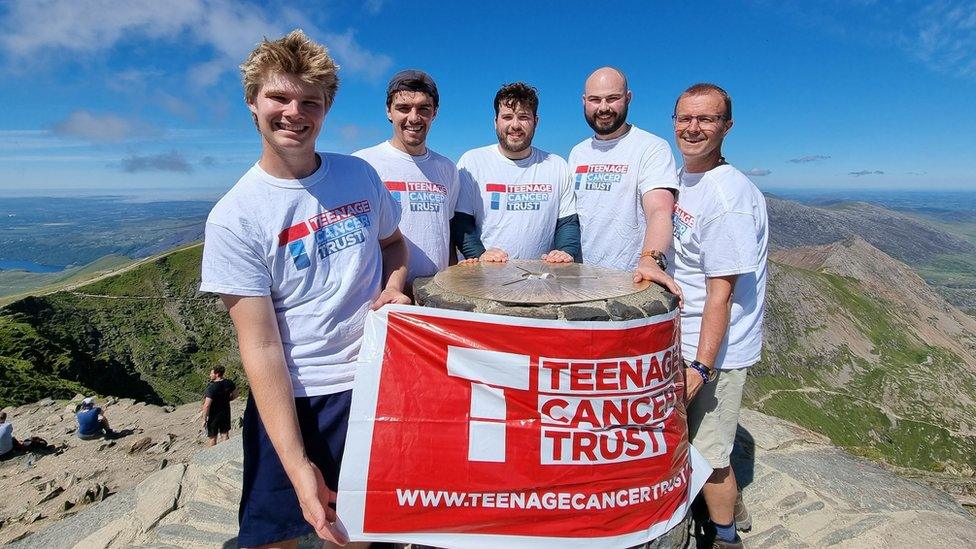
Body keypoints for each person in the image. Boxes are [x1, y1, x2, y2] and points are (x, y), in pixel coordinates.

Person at [199, 29, 409, 548]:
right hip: (296, 397)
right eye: (279, 97)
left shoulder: (359, 176)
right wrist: (297, 466)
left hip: (371, 381)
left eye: (309, 101)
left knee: (357, 531)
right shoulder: (235, 217)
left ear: (327, 107)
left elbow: (394, 245)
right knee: (278, 536)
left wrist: (396, 284)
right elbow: (261, 345)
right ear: (252, 103)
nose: (294, 112)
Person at [671, 83, 768, 549]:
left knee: (710, 454)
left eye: (706, 119)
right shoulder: (690, 178)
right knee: (697, 444)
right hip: (690, 340)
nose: (693, 128)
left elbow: (721, 296)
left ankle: (726, 536)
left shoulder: (727, 198)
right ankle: (723, 512)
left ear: (726, 127)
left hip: (715, 352)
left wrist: (701, 368)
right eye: (685, 118)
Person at [568, 67, 682, 298]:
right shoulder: (577, 153)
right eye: (595, 99)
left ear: (628, 98)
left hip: (635, 283)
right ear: (584, 101)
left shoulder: (651, 147)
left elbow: (660, 209)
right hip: (584, 285)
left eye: (612, 98)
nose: (603, 108)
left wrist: (650, 260)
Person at [353, 69, 464, 289]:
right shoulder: (363, 164)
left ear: (435, 113)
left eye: (423, 108)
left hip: (436, 292)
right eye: (403, 108)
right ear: (388, 111)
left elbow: (447, 231)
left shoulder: (447, 168)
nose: (413, 118)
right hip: (384, 294)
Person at [454, 82, 581, 263]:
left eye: (523, 117)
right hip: (486, 279)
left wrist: (565, 250)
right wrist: (479, 253)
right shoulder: (473, 162)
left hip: (542, 278)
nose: (515, 125)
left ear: (535, 121)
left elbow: (567, 222)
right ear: (495, 122)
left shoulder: (557, 165)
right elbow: (461, 221)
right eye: (507, 117)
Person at [202, 365, 239, 446]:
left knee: (213, 437)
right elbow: (236, 395)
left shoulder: (212, 387)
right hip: (225, 412)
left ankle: (213, 456)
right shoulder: (229, 383)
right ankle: (226, 454)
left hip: (213, 415)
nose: (210, 375)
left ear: (217, 374)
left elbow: (207, 405)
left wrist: (204, 419)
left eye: (211, 373)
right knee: (225, 434)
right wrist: (227, 400)